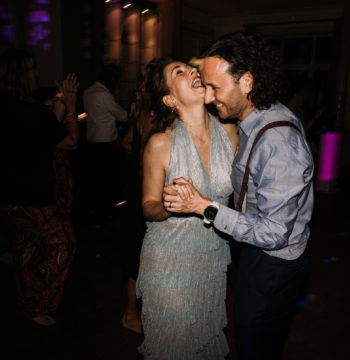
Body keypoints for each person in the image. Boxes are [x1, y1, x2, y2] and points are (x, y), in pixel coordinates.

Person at [163, 32, 315, 360]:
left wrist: (204, 206)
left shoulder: (277, 143)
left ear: (247, 81)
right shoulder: (256, 117)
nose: (208, 97)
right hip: (255, 250)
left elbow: (274, 233)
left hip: (274, 261)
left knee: (254, 342)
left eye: (216, 87)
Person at [136, 57, 238, 358]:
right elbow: (148, 206)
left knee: (204, 340)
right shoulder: (160, 143)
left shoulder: (230, 131)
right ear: (169, 98)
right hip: (169, 262)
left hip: (211, 259)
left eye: (190, 67)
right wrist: (170, 207)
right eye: (178, 72)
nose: (192, 71)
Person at [0, 49, 80, 326]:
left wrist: (59, 106)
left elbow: (45, 130)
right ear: (20, 75)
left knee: (27, 247)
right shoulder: (30, 112)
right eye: (32, 69)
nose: (37, 74)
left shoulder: (0, 107)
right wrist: (71, 104)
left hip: (6, 193)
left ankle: (30, 305)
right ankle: (40, 303)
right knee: (63, 241)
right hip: (29, 195)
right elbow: (71, 141)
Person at [117, 74, 153, 334]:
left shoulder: (145, 113)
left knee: (138, 257)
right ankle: (130, 314)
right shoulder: (152, 117)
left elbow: (126, 142)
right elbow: (143, 162)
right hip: (143, 197)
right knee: (139, 260)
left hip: (135, 195)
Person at [82, 64, 128, 218]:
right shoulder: (104, 94)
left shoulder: (88, 92)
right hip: (106, 142)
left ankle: (96, 211)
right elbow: (121, 115)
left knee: (96, 178)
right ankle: (107, 213)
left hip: (91, 139)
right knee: (108, 180)